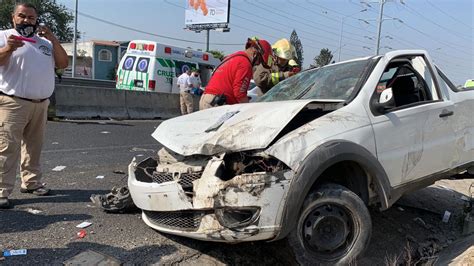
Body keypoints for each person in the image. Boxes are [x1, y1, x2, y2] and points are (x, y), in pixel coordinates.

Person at [0, 3, 68, 208]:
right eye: (22, 16)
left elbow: (63, 63)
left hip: (40, 103)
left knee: (33, 147)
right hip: (13, 102)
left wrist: (53, 39)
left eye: (31, 17)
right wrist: (9, 48)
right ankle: (1, 190)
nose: (26, 20)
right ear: (13, 18)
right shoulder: (5, 36)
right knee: (6, 147)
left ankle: (31, 182)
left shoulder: (44, 43)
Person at [199, 37, 273, 110]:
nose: (257, 64)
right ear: (255, 54)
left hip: (207, 99)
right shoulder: (245, 63)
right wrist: (248, 109)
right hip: (216, 102)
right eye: (259, 61)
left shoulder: (233, 57)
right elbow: (239, 94)